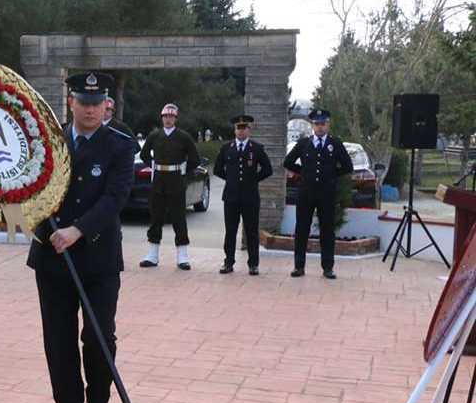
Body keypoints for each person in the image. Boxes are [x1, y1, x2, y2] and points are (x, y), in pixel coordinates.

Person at [28, 72, 136, 403]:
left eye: (97, 103)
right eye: (83, 102)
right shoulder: (46, 140)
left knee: (100, 336)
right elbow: (26, 186)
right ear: (70, 102)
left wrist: (77, 229)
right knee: (58, 343)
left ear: (106, 104)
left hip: (98, 258)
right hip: (51, 257)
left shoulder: (121, 144)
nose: (90, 110)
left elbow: (115, 197)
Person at [283, 108, 352, 279]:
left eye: (323, 124)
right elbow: (288, 162)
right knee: (302, 229)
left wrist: (331, 176)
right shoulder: (304, 143)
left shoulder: (335, 143)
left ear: (328, 125)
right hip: (306, 192)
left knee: (327, 230)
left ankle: (327, 267)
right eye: (316, 124)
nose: (320, 127)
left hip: (326, 193)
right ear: (312, 126)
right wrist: (303, 172)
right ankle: (299, 266)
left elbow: (347, 167)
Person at [139, 104, 199, 270]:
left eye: (171, 116)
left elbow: (195, 159)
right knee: (156, 217)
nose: (168, 119)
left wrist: (184, 173)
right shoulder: (154, 135)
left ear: (176, 118)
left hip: (176, 181)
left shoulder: (184, 137)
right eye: (165, 116)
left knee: (178, 218)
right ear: (162, 118)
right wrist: (153, 166)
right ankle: (152, 255)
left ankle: (182, 256)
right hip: (158, 181)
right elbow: (144, 154)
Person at [213, 115, 273, 275]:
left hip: (250, 196)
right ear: (234, 130)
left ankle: (253, 264)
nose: (241, 131)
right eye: (238, 128)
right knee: (230, 230)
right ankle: (228, 262)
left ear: (249, 130)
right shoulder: (226, 148)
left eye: (244, 128)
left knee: (251, 231)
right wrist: (231, 180)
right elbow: (217, 170)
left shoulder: (257, 148)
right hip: (231, 196)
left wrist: (253, 180)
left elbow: (268, 169)